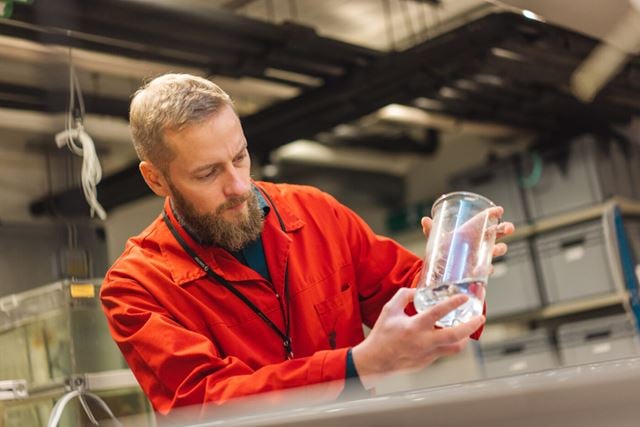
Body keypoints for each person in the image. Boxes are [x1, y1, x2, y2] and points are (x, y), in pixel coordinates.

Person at [100, 73, 514, 417]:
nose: (239, 186)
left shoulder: (316, 213)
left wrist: (452, 268)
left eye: (241, 157)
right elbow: (206, 403)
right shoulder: (136, 286)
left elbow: (421, 312)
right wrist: (357, 366)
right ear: (156, 179)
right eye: (208, 174)